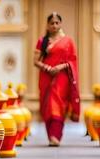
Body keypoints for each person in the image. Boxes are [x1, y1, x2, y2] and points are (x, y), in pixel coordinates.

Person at [34, 12, 80, 147]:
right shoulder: (42, 41)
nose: (54, 25)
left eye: (57, 23)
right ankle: (51, 135)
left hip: (62, 77)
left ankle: (56, 135)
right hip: (46, 76)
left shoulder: (68, 41)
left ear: (60, 24)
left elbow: (73, 61)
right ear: (47, 25)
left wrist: (59, 67)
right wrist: (48, 69)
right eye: (51, 23)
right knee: (47, 106)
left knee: (58, 104)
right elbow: (35, 61)